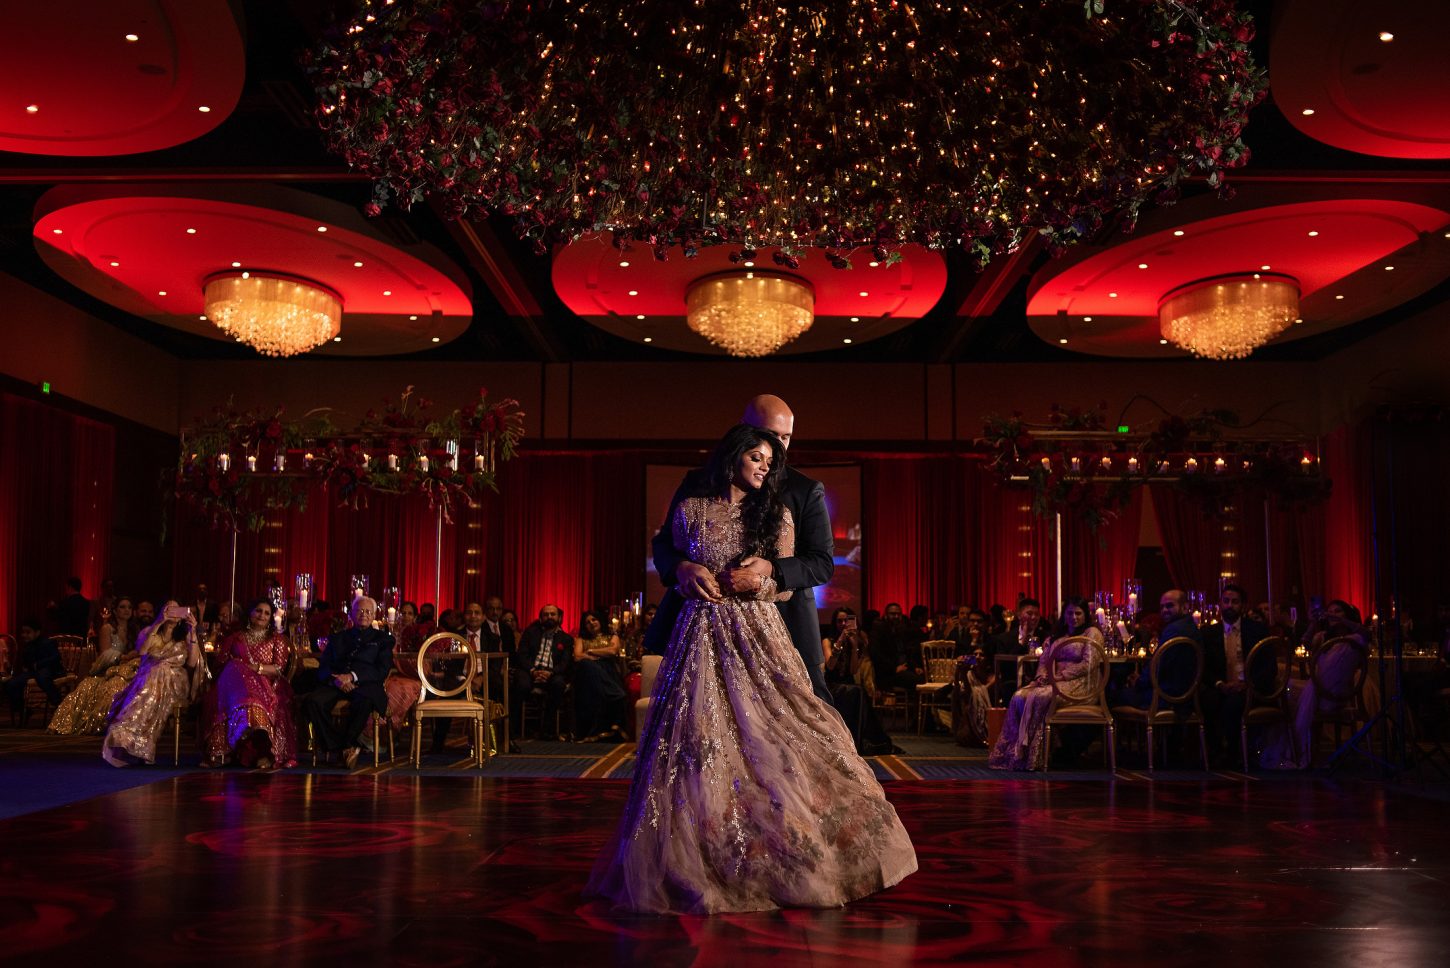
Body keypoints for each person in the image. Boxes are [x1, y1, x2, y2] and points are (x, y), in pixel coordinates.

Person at [585, 423, 916, 914]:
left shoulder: (779, 509)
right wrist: (683, 570)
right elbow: (669, 551)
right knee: (697, 742)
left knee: (788, 734)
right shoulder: (693, 501)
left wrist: (761, 575)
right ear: (736, 451)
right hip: (698, 633)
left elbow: (797, 576)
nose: (770, 462)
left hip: (761, 634)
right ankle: (701, 858)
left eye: (775, 453)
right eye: (759, 454)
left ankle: (795, 853)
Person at [643, 394, 836, 706]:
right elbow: (664, 544)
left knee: (809, 720)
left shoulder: (803, 489)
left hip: (783, 624)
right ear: (743, 432)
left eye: (786, 437)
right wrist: (682, 567)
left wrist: (769, 570)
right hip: (701, 625)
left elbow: (821, 563)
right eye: (771, 435)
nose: (779, 446)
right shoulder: (698, 482)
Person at [989, 598, 1104, 770]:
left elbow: (1088, 665)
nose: (1074, 617)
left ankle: (1034, 757)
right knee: (1019, 696)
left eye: (1078, 613)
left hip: (1080, 685)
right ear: (1064, 616)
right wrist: (1042, 676)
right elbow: (1044, 661)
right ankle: (1014, 753)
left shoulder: (1092, 633)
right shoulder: (1057, 636)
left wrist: (1058, 676)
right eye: (1070, 613)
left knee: (1040, 696)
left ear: (1085, 615)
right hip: (1054, 682)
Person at [1260, 600, 1372, 769]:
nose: (1333, 614)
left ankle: (1302, 750)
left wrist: (1342, 621)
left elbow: (1367, 633)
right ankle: (1297, 749)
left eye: (1338, 611)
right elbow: (1304, 642)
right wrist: (1314, 623)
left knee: (1300, 692)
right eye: (1330, 611)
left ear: (1346, 614)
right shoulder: (1323, 637)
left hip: (1339, 693)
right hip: (1319, 689)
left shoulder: (1355, 638)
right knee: (1285, 688)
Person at [102, 603, 205, 766]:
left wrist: (193, 631)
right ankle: (126, 740)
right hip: (149, 679)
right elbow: (142, 652)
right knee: (150, 683)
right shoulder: (150, 631)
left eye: (177, 610)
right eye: (169, 609)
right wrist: (158, 623)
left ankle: (140, 745)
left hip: (175, 679)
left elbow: (192, 663)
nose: (173, 613)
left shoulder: (185, 635)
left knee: (157, 675)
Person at [200, 599, 298, 769]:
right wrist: (239, 669)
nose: (262, 615)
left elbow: (278, 668)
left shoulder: (277, 640)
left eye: (267, 613)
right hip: (235, 686)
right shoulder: (235, 638)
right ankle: (230, 747)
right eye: (258, 611)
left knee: (248, 684)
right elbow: (220, 666)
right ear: (250, 613)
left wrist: (255, 668)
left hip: (267, 684)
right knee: (234, 668)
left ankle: (258, 748)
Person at [302, 596, 394, 769]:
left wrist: (352, 676)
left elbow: (381, 670)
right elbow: (324, 667)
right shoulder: (337, 638)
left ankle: (343, 745)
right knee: (312, 702)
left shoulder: (383, 639)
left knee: (365, 701)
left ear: (374, 615)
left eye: (368, 611)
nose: (364, 615)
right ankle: (343, 747)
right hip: (336, 683)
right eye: (359, 610)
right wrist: (335, 679)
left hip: (365, 684)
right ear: (351, 614)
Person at [1200, 583, 1274, 764]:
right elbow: (1203, 667)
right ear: (1220, 604)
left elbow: (1269, 667)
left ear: (1243, 605)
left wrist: (1247, 684)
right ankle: (1213, 752)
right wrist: (1219, 684)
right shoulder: (1208, 633)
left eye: (1234, 602)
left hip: (1250, 688)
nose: (1229, 606)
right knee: (1207, 700)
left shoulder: (1257, 631)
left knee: (1233, 704)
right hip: (1220, 686)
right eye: (1225, 601)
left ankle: (1235, 753)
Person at [48, 597, 141, 735]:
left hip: (130, 669)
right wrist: (124, 657)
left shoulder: (136, 630)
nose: (126, 610)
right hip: (108, 670)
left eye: (129, 607)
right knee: (114, 686)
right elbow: (105, 654)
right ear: (115, 611)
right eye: (122, 607)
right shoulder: (107, 628)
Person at [822, 607, 895, 755]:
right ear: (834, 623)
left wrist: (854, 646)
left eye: (846, 621)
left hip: (848, 683)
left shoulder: (857, 642)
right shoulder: (828, 641)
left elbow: (854, 670)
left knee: (858, 692)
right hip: (832, 684)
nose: (843, 624)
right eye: (839, 621)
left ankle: (858, 740)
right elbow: (830, 666)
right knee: (856, 692)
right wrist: (841, 640)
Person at [512, 605, 573, 739]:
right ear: (541, 618)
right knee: (521, 683)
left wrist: (550, 673)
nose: (549, 617)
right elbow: (522, 655)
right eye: (546, 614)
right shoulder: (530, 633)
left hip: (552, 674)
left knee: (558, 684)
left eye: (553, 614)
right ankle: (514, 729)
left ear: (560, 617)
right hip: (530, 670)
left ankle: (546, 729)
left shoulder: (566, 639)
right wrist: (533, 671)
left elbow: (565, 662)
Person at [572, 611, 629, 742]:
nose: (591, 623)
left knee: (594, 668)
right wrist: (599, 655)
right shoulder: (581, 639)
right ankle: (616, 693)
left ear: (600, 621)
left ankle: (613, 694)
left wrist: (591, 651)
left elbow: (613, 651)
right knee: (587, 665)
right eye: (587, 622)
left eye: (594, 620)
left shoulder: (612, 637)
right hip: (587, 675)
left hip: (608, 671)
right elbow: (577, 656)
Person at [5, 619, 64, 723]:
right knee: (11, 683)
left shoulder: (47, 642)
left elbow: (56, 657)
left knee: (42, 677)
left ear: (37, 632)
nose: (24, 635)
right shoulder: (28, 645)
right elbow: (27, 663)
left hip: (50, 670)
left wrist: (39, 664)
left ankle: (58, 704)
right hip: (33, 672)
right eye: (23, 632)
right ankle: (24, 710)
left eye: (28, 632)